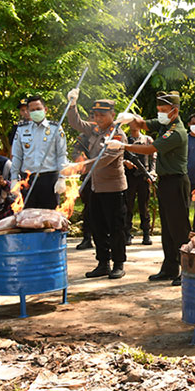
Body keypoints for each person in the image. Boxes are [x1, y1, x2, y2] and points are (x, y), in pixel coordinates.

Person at [120, 91, 189, 284]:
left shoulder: (177, 132)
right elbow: (142, 124)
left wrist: (123, 147)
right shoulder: (165, 123)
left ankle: (188, 270)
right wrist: (130, 118)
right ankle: (169, 268)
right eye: (158, 110)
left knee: (180, 229)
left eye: (164, 110)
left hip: (177, 182)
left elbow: (151, 149)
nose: (160, 114)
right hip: (166, 182)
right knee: (167, 228)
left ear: (174, 111)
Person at [66, 91, 128, 280]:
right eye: (96, 115)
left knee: (116, 228)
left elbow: (105, 160)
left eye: (103, 115)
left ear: (112, 114)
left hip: (114, 188)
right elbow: (76, 123)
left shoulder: (117, 135)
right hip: (95, 187)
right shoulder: (95, 130)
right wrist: (72, 105)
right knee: (98, 226)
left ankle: (118, 264)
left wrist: (80, 166)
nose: (98, 118)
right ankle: (103, 263)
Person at [10, 95, 68, 210]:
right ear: (28, 111)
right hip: (28, 179)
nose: (35, 112)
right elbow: (17, 156)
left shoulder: (55, 128)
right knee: (28, 217)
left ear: (45, 109)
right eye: (32, 110)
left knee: (50, 218)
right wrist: (14, 179)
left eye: (38, 109)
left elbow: (61, 155)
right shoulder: (22, 129)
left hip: (49, 178)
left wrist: (62, 178)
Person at [123, 120, 155, 245]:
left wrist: (152, 172)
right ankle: (127, 233)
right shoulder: (124, 140)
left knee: (144, 206)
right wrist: (125, 162)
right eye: (132, 122)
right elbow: (119, 154)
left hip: (143, 176)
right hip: (129, 176)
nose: (134, 125)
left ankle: (146, 234)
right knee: (128, 205)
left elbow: (154, 157)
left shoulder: (147, 140)